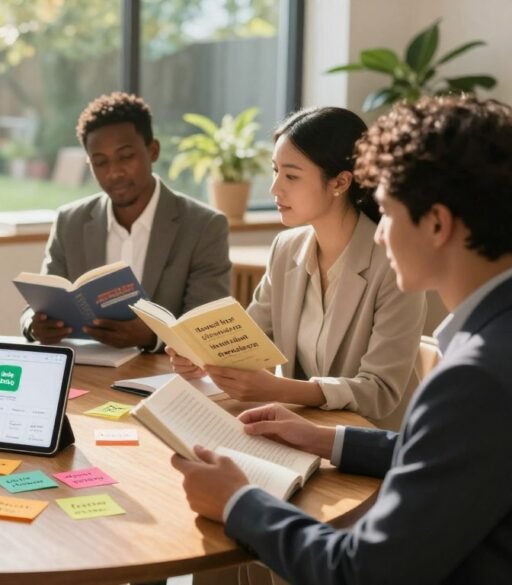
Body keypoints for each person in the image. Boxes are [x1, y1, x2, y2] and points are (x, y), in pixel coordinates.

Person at [171, 95, 512, 584]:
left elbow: (362, 572)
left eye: (389, 213)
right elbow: (447, 453)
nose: (377, 235)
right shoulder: (491, 345)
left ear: (436, 224)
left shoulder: (475, 379)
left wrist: (238, 501)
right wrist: (326, 438)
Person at [168, 106, 425, 427]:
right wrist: (202, 357)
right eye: (275, 171)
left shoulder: (393, 264)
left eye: (291, 175)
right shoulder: (286, 249)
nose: (275, 188)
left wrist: (283, 389)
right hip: (305, 430)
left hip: (374, 442)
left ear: (340, 182)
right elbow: (248, 340)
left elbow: (379, 391)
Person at [21, 92, 231, 350]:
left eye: (126, 156)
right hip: (87, 372)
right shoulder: (70, 222)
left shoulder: (204, 226)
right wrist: (35, 325)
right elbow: (41, 304)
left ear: (153, 151)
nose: (114, 172)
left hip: (164, 375)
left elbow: (207, 327)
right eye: (100, 162)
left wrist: (152, 338)